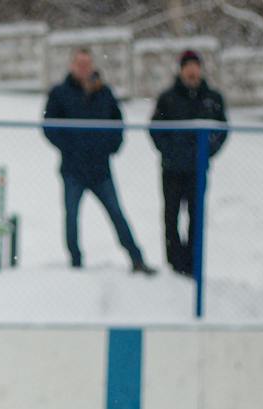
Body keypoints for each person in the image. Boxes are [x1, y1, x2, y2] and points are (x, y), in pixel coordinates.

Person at [43, 48, 154, 275]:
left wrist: (109, 147)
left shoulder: (104, 92)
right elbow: (49, 126)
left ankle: (136, 259)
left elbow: (117, 124)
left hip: (100, 169)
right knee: (72, 217)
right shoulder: (60, 93)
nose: (83, 68)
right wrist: (70, 147)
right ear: (72, 66)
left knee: (116, 213)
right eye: (79, 64)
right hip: (72, 169)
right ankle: (75, 262)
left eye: (87, 64)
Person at [150, 50, 227, 277]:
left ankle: (193, 264)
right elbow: (155, 129)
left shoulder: (212, 99)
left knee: (196, 218)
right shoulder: (168, 98)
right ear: (181, 70)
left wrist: (206, 152)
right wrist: (170, 151)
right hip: (172, 170)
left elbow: (222, 130)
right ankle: (175, 264)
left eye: (195, 67)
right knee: (171, 217)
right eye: (188, 67)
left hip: (197, 169)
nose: (192, 71)